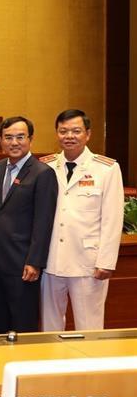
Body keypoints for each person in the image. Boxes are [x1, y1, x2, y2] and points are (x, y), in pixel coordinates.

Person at [41, 109, 124, 331]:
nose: (69, 136)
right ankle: (54, 364)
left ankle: (89, 365)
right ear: (57, 134)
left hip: (88, 261)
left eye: (76, 131)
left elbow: (112, 219)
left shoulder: (106, 169)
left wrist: (106, 261)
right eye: (63, 131)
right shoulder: (46, 166)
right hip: (51, 260)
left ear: (88, 134)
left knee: (90, 327)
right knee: (50, 326)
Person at [0, 116, 57, 334]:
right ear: (1, 140)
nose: (14, 142)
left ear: (30, 139)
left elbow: (43, 221)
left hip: (23, 262)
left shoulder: (43, 173)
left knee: (23, 322)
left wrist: (35, 261)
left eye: (20, 137)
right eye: (8, 137)